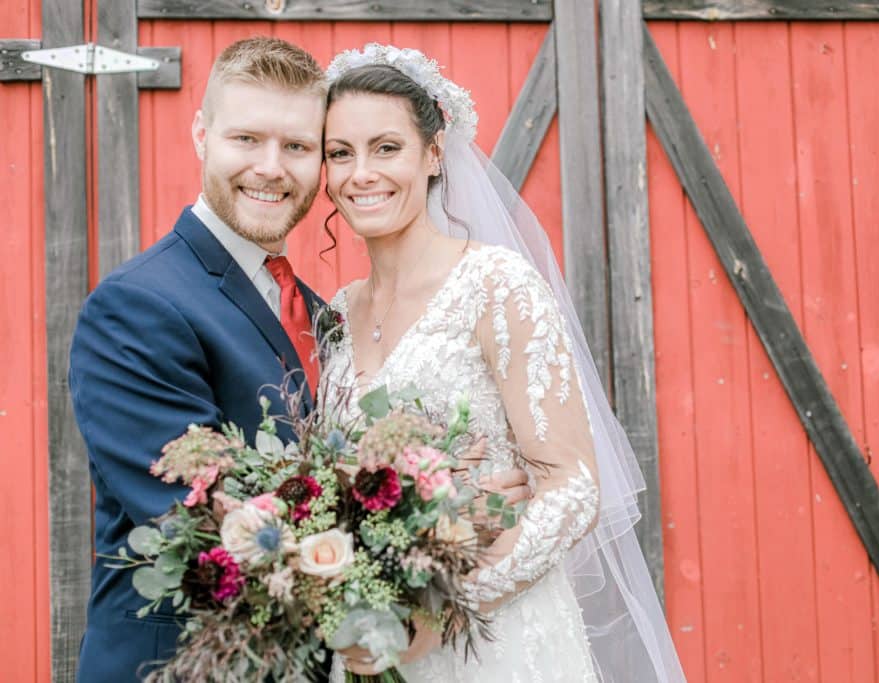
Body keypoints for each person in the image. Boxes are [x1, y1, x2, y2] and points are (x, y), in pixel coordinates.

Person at [68, 37, 529, 682]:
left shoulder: (323, 312)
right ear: (202, 134)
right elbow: (215, 524)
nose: (271, 167)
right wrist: (445, 515)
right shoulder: (138, 306)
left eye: (296, 146)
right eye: (246, 139)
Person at [319, 45, 686, 682]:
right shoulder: (334, 315)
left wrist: (434, 617)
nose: (361, 174)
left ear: (433, 154)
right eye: (340, 153)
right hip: (372, 646)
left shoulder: (495, 285)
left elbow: (571, 489)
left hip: (495, 641)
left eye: (386, 148)